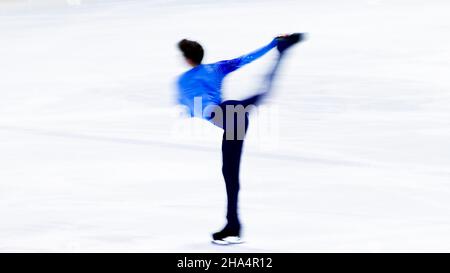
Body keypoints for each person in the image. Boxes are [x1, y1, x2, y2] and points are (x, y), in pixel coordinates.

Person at [176, 33, 303, 244]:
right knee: (230, 173)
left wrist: (191, 111)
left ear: (187, 59)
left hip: (227, 116)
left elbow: (189, 107)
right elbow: (247, 59)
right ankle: (232, 224)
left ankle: (233, 224)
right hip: (234, 116)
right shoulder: (216, 68)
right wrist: (271, 43)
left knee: (230, 174)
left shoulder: (182, 81)